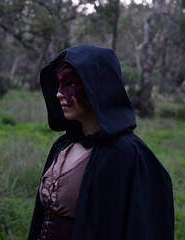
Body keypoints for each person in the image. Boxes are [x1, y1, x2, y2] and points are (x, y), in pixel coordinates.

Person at [28, 44, 174, 240]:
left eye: (70, 83)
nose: (58, 93)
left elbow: (146, 229)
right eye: (58, 84)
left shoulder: (130, 156)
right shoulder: (63, 145)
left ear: (96, 86)